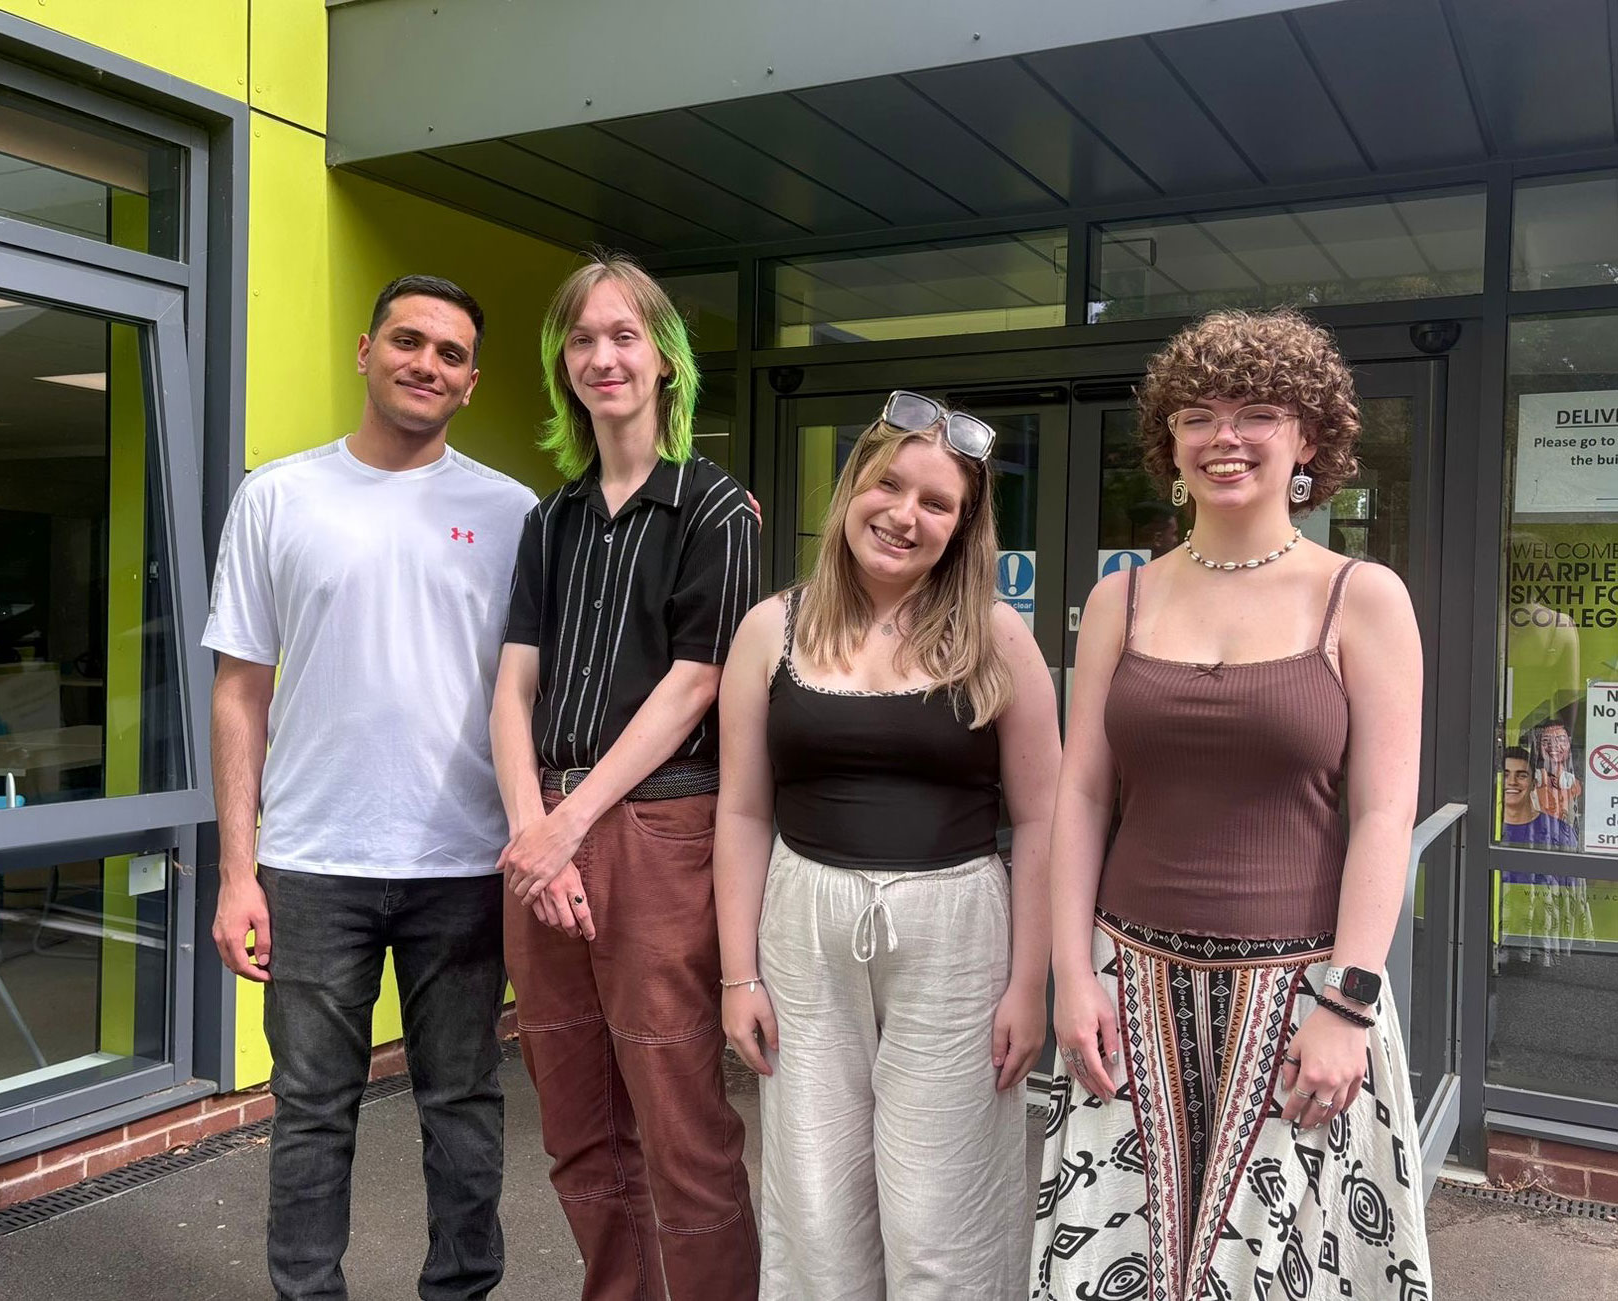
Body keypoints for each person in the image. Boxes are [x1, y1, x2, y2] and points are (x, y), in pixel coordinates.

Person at [1037, 309, 1435, 1299]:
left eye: (1258, 411)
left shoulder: (1361, 596)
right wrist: (1067, 974)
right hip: (1126, 984)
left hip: (1304, 996)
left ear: (1309, 440)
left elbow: (1384, 813)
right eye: (1196, 414)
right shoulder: (1120, 601)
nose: (1225, 435)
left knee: (1278, 1275)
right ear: (1166, 444)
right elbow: (1079, 794)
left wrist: (1350, 999)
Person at [205, 275, 532, 1300]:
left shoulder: (512, 510)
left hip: (464, 861)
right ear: (364, 349)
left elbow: (552, 679)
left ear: (471, 381)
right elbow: (238, 693)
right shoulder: (277, 496)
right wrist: (236, 872)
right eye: (407, 340)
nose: (425, 363)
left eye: (448, 352)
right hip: (308, 865)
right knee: (309, 1109)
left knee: (465, 1106)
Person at [715, 392, 1062, 1300]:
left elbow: (1042, 819)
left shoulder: (996, 637)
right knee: (815, 1197)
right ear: (852, 487)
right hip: (803, 929)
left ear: (963, 525)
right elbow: (744, 812)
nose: (905, 516)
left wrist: (1031, 984)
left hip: (955, 933)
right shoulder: (770, 629)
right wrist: (736, 973)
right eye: (889, 485)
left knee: (941, 1208)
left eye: (937, 503)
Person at [490, 253, 761, 1301]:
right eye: (583, 338)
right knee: (576, 1122)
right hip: (544, 836)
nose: (603, 356)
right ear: (564, 364)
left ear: (666, 363)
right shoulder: (547, 521)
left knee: (678, 1125)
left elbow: (696, 685)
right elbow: (512, 691)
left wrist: (572, 818)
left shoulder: (714, 508)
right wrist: (534, 827)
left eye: (625, 335)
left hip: (655, 832)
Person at [1501, 746, 1577, 849]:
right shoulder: (1486, 828)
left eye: (1521, 776)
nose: (1512, 782)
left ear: (1534, 783)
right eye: (1505, 775)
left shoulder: (1559, 832)